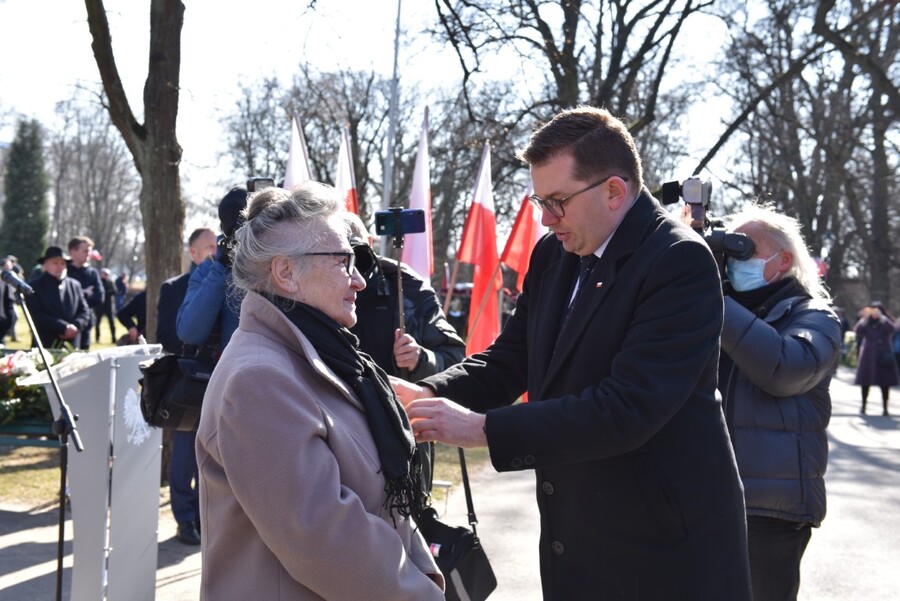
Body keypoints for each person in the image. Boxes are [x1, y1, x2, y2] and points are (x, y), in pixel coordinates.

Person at [393, 106, 751, 599]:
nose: (546, 218)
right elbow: (511, 359)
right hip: (579, 540)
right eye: (541, 201)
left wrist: (482, 430)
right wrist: (424, 393)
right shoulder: (555, 253)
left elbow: (629, 407)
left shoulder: (678, 260)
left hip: (663, 554)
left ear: (614, 191)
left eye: (557, 201)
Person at [195, 183, 444, 600]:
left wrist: (424, 575)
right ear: (286, 274)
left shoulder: (324, 356)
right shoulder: (259, 380)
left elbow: (380, 505)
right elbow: (327, 538)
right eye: (343, 261)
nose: (360, 281)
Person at [719, 204, 842, 601]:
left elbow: (785, 369)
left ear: (783, 259)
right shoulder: (717, 311)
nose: (734, 263)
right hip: (708, 499)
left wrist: (711, 298)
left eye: (744, 251)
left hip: (770, 513)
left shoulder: (814, 317)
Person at [345, 214, 466, 380]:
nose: (352, 267)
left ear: (370, 243)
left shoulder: (411, 294)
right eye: (342, 256)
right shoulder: (311, 293)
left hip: (398, 402)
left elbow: (455, 361)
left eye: (356, 253)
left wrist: (421, 359)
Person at [156, 226, 217, 545]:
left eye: (216, 245)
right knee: (184, 456)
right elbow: (165, 335)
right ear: (192, 253)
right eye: (208, 247)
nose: (214, 250)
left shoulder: (231, 279)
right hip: (191, 382)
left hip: (222, 378)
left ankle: (208, 517)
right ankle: (185, 518)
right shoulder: (175, 287)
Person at [176, 188, 247, 349]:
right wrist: (223, 267)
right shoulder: (212, 269)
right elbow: (188, 332)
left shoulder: (280, 262)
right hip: (231, 370)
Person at [25, 246, 92, 349]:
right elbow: (36, 315)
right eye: (55, 263)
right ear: (45, 265)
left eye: (62, 263)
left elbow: (85, 311)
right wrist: (63, 327)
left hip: (72, 343)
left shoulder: (75, 285)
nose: (59, 267)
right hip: (46, 343)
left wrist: (76, 326)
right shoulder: (34, 286)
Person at [854, 301, 898, 416]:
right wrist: (864, 318)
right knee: (865, 383)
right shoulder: (867, 322)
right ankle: (863, 406)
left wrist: (882, 317)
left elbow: (892, 329)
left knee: (885, 384)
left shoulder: (884, 321)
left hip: (883, 356)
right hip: (868, 357)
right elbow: (858, 330)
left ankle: (885, 408)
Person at [66, 236, 104, 350]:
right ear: (73, 251)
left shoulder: (92, 273)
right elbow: (63, 297)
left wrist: (77, 297)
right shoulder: (64, 270)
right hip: (66, 325)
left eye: (90, 251)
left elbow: (99, 297)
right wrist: (85, 293)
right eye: (86, 251)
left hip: (85, 324)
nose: (89, 254)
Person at [94, 268, 118, 343]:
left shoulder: (110, 282)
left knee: (111, 322)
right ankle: (97, 338)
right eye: (104, 274)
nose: (105, 275)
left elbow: (115, 291)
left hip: (108, 305)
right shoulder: (98, 282)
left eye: (107, 274)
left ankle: (113, 338)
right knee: (97, 323)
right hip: (99, 306)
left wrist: (107, 292)